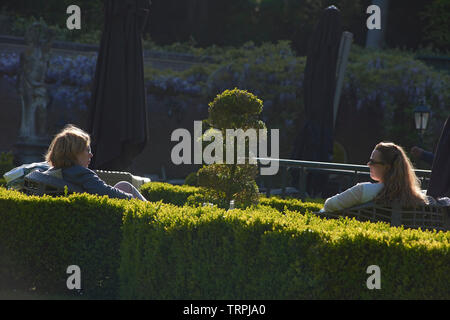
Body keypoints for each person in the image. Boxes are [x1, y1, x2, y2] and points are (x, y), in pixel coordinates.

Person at [44, 124, 147, 201]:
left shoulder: (53, 173)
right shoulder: (80, 173)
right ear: (74, 153)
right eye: (87, 150)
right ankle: (154, 213)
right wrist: (132, 198)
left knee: (124, 185)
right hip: (96, 216)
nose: (91, 155)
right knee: (127, 188)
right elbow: (106, 192)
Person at [321, 142, 427, 212]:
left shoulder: (363, 191)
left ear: (387, 167)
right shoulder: (416, 197)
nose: (368, 164)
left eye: (372, 162)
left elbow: (329, 205)